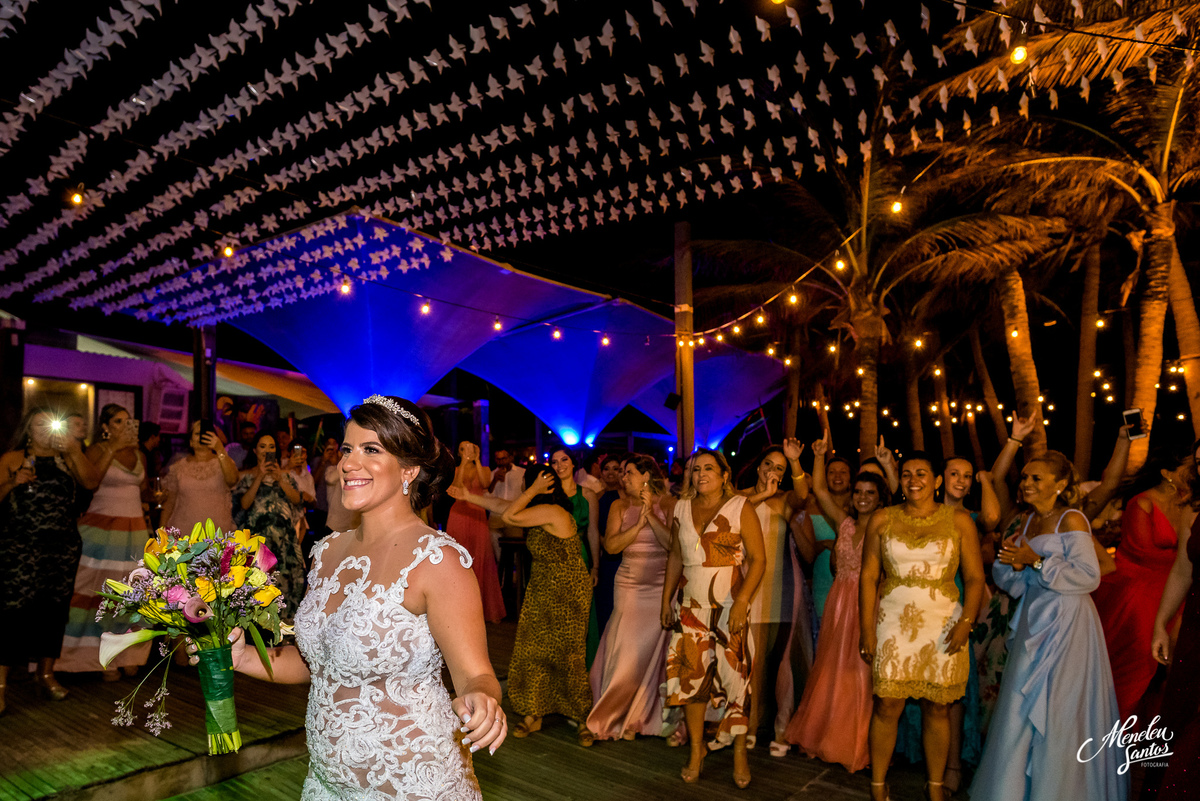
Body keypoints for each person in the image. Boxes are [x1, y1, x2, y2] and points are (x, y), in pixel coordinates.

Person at [188, 394, 506, 798]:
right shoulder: (326, 553)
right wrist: (242, 657)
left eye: (371, 450)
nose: (349, 463)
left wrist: (481, 698)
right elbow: (321, 663)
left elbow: (476, 674)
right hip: (326, 784)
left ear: (409, 469)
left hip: (412, 784)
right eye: (347, 450)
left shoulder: (436, 560)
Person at [970, 450, 1126, 801]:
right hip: (1032, 617)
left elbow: (1089, 576)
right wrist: (1013, 565)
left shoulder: (1072, 520)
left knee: (1058, 704)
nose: (1026, 483)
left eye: (1036, 478)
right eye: (1025, 477)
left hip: (1067, 621)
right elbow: (1016, 582)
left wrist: (1037, 562)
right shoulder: (1027, 521)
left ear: (1060, 483)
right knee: (1022, 701)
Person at [859, 451, 985, 801]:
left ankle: (935, 787)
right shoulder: (882, 518)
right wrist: (866, 629)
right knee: (887, 704)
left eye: (921, 474)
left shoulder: (959, 521)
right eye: (906, 474)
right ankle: (878, 786)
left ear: (937, 481)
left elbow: (975, 578)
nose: (913, 480)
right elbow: (868, 577)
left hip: (943, 623)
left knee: (938, 707)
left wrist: (966, 622)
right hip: (893, 622)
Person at [662, 449, 765, 789]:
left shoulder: (740, 507)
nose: (701, 474)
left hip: (729, 606)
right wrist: (666, 600)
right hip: (690, 608)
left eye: (709, 468)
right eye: (695, 469)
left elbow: (758, 560)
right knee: (691, 682)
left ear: (724, 475)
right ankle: (696, 750)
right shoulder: (681, 507)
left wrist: (743, 601)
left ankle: (740, 752)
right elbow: (675, 555)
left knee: (737, 682)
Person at [786, 438, 888, 772]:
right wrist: (817, 456)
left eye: (870, 493)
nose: (862, 497)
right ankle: (825, 734)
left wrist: (889, 467)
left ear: (881, 498)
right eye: (858, 492)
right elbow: (819, 488)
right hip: (839, 603)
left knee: (861, 673)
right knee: (831, 669)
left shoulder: (888, 527)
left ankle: (857, 744)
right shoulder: (844, 522)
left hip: (870, 604)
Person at [1092, 443, 1193, 723]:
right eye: (1186, 467)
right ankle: (1119, 724)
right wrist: (1187, 560)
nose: (1192, 473)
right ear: (1167, 473)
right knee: (1136, 662)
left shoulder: (1189, 504)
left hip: (1174, 587)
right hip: (1139, 589)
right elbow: (1141, 553)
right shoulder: (1142, 503)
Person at [0, 409, 93, 710]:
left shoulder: (67, 457)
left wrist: (74, 450)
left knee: (54, 610)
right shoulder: (12, 458)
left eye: (49, 424)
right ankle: (0, 684)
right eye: (38, 424)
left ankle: (46, 674)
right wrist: (12, 482)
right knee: (12, 612)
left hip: (62, 547)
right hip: (20, 547)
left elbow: (91, 481)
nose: (44, 430)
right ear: (28, 430)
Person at [585, 454, 675, 741]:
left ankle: (642, 715)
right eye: (623, 473)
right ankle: (616, 712)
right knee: (624, 646)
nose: (623, 478)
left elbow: (673, 545)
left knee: (653, 651)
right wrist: (636, 527)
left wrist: (650, 515)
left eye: (629, 473)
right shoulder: (619, 505)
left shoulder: (669, 503)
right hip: (629, 584)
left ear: (647, 475)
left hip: (661, 585)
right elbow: (611, 546)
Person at [59, 403, 153, 676]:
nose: (125, 426)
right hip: (103, 530)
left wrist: (160, 495)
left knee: (132, 593)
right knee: (97, 594)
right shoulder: (97, 450)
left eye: (128, 421)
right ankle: (97, 658)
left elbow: (144, 490)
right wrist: (111, 449)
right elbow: (90, 482)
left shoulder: (139, 454)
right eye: (118, 421)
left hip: (135, 530)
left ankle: (128, 655)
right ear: (105, 427)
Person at [503, 465, 593, 745]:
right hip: (543, 587)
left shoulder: (553, 511)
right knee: (535, 650)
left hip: (567, 590)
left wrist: (533, 489)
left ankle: (582, 717)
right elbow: (502, 506)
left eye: (527, 483)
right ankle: (535, 711)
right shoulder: (539, 511)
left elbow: (508, 515)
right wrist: (468, 496)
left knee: (569, 654)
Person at [734, 439, 810, 753]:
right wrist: (761, 495)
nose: (772, 471)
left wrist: (795, 462)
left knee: (779, 659)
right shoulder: (737, 498)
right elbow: (726, 519)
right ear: (758, 466)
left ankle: (780, 725)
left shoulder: (784, 501)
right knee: (749, 659)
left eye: (779, 468)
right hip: (746, 586)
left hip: (780, 585)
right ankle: (749, 723)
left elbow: (803, 495)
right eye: (769, 464)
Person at [1148, 438, 1200, 801]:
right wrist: (1161, 623)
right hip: (1197, 627)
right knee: (1180, 719)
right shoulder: (1194, 508)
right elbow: (1183, 568)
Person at [232, 432, 305, 620]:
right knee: (257, 596)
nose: (267, 451)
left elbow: (297, 500)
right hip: (258, 546)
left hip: (285, 545)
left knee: (286, 598)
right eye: (262, 446)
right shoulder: (247, 477)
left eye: (271, 447)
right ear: (255, 450)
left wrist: (280, 478)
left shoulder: (286, 477)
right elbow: (243, 505)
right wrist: (260, 477)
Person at [550, 447, 601, 665]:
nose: (559, 465)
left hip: (579, 557)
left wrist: (595, 566)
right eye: (554, 462)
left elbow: (593, 532)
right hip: (552, 558)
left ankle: (583, 666)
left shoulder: (587, 495)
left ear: (573, 463)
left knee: (580, 613)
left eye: (564, 460)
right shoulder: (547, 495)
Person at [447, 441, 505, 623]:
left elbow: (485, 484)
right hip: (459, 514)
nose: (467, 451)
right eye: (463, 449)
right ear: (458, 452)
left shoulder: (485, 469)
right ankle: (460, 608)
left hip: (477, 513)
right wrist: (464, 463)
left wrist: (477, 460)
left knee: (481, 556)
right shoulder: (456, 470)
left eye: (470, 448)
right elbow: (456, 487)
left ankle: (482, 609)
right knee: (459, 559)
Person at [799, 450, 852, 628]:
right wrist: (821, 545)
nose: (837, 476)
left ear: (851, 477)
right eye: (832, 472)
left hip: (852, 585)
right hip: (822, 584)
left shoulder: (860, 507)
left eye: (843, 472)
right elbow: (804, 552)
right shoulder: (811, 507)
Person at [160, 419, 238, 537]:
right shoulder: (179, 467)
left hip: (217, 533)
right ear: (191, 441)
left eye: (206, 433)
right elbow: (169, 502)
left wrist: (220, 449)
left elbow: (232, 480)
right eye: (197, 434)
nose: (202, 437)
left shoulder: (224, 463)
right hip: (183, 533)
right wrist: (161, 533)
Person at [594, 453, 627, 632]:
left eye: (616, 469)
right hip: (607, 556)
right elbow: (593, 528)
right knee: (607, 603)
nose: (611, 473)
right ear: (601, 473)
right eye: (606, 469)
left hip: (627, 554)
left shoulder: (629, 499)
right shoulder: (597, 498)